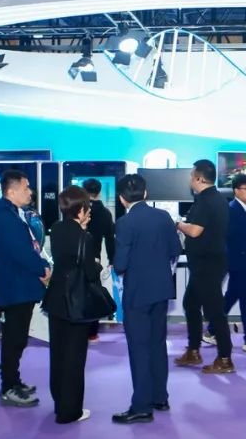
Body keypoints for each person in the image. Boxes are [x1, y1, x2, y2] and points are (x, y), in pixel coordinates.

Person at [112, 174, 182, 424]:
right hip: (161, 290)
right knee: (157, 344)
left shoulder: (124, 223)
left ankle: (141, 406)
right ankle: (160, 397)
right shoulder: (163, 217)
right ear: (145, 193)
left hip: (137, 293)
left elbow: (120, 264)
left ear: (121, 198)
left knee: (139, 348)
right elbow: (176, 250)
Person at [40, 186, 101, 424]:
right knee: (75, 358)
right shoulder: (85, 237)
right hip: (76, 301)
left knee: (58, 354)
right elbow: (90, 273)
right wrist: (95, 263)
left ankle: (59, 403)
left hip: (56, 299)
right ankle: (70, 411)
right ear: (81, 209)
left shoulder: (56, 229)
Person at [0, 170, 51, 408]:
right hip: (15, 286)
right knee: (14, 339)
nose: (30, 192)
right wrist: (42, 268)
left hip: (21, 285)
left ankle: (13, 381)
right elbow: (21, 252)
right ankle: (8, 386)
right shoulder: (5, 217)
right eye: (26, 187)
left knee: (18, 338)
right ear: (11, 191)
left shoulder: (14, 214)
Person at [174, 159, 233, 374]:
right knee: (191, 303)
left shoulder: (206, 201)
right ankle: (193, 350)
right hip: (208, 263)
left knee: (214, 311)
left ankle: (225, 358)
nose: (190, 180)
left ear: (199, 178)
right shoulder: (218, 199)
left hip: (208, 265)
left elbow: (195, 230)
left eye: (192, 176)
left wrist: (177, 224)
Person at [205, 174, 246, 353]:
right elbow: (232, 238)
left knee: (232, 296)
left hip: (241, 261)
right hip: (238, 261)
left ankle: (212, 330)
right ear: (236, 191)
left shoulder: (245, 208)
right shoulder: (232, 209)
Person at [82, 178, 116, 343]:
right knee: (94, 293)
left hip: (77, 256)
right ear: (99, 192)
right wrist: (112, 259)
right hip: (94, 258)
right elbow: (110, 239)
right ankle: (92, 332)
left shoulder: (79, 210)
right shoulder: (105, 213)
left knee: (77, 293)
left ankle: (78, 329)